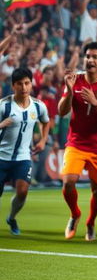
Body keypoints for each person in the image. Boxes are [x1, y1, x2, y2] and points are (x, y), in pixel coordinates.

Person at [58, 42, 97, 241]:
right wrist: (68, 90)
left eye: (94, 56)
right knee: (68, 182)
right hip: (76, 142)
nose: (90, 60)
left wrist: (94, 101)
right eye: (87, 56)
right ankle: (75, 214)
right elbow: (61, 111)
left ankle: (91, 222)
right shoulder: (75, 80)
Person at [0, 67, 50, 235]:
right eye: (20, 84)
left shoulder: (38, 106)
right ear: (13, 86)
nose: (24, 87)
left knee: (22, 192)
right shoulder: (4, 106)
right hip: (1, 156)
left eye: (27, 83)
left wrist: (43, 140)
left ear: (31, 84)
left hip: (22, 157)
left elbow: (46, 122)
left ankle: (12, 217)